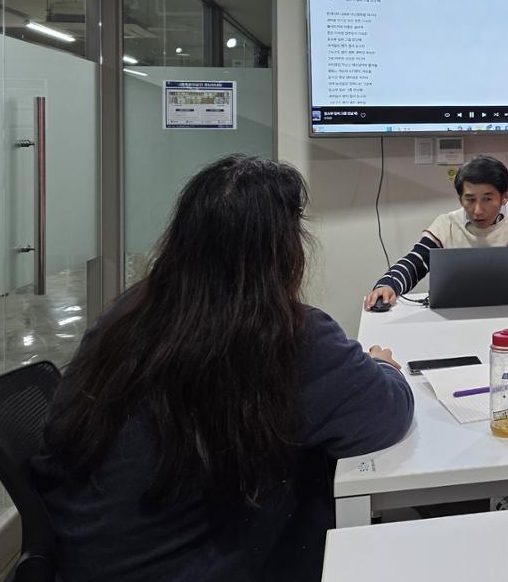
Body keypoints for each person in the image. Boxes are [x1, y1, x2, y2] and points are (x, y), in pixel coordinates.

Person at [34, 155, 414, 582]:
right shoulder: (287, 336)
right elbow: (386, 413)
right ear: (284, 250)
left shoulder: (128, 313)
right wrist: (383, 366)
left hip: (87, 560)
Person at [366, 154, 508, 309]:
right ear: (460, 199)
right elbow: (415, 261)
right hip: (458, 316)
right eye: (470, 199)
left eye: (487, 199)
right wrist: (388, 285)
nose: (478, 210)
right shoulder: (447, 225)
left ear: (505, 196)